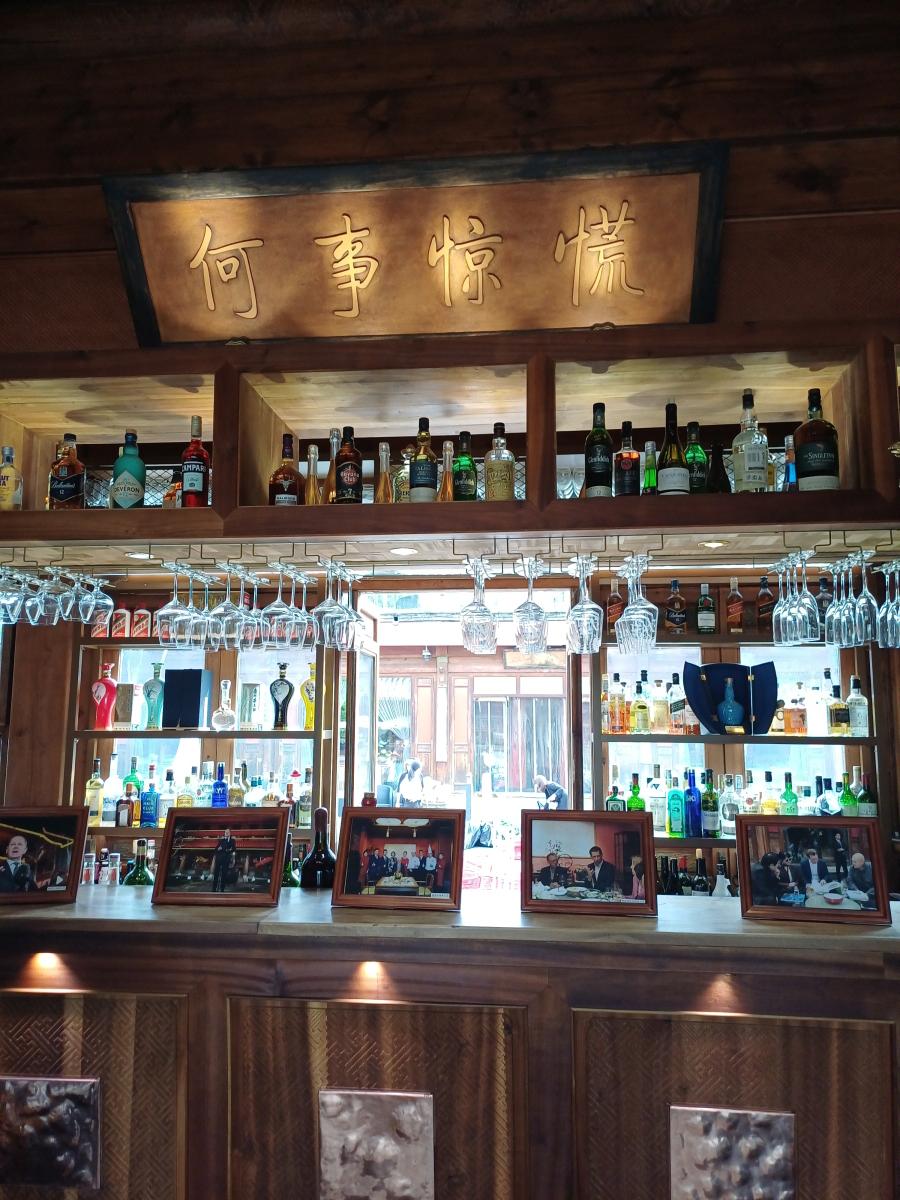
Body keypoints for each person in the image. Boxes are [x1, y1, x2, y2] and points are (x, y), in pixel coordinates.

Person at [211, 827, 237, 893]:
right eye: (225, 832)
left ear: (230, 833)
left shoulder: (232, 840)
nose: (226, 833)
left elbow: (234, 849)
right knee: (216, 874)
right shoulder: (221, 840)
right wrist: (218, 849)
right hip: (219, 859)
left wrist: (227, 850)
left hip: (226, 859)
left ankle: (222, 889)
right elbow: (216, 849)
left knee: (224, 875)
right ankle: (214, 889)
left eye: (228, 832)